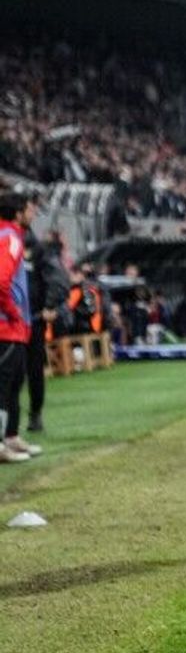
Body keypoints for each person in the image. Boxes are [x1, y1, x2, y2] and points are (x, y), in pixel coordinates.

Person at [23, 202, 70, 432]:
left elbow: (58, 280)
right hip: (10, 318)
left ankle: (34, 413)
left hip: (31, 318)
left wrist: (49, 305)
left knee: (32, 369)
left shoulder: (37, 249)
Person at [0, 192, 40, 462]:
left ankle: (11, 437)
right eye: (29, 209)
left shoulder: (9, 235)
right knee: (3, 386)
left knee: (14, 383)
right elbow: (1, 282)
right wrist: (14, 314)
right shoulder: (11, 239)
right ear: (18, 213)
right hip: (7, 327)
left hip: (13, 328)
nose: (33, 213)